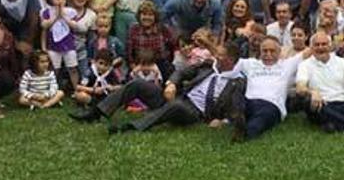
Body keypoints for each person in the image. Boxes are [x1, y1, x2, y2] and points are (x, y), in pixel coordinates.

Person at [72, 43, 241, 135]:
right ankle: (96, 113)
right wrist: (171, 84)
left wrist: (224, 121)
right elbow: (182, 71)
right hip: (177, 97)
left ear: (230, 59)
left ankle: (132, 127)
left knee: (177, 106)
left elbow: (236, 106)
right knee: (138, 84)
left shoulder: (237, 82)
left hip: (194, 112)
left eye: (221, 55)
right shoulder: (208, 66)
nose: (216, 56)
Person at [228, 36, 310, 141]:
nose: (268, 55)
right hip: (249, 101)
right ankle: (235, 119)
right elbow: (227, 67)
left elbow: (309, 50)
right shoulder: (250, 63)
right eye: (265, 51)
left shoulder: (287, 65)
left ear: (279, 52)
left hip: (271, 104)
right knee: (236, 92)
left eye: (272, 51)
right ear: (260, 51)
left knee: (263, 117)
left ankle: (245, 133)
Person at [40, 0, 81, 89]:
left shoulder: (71, 12)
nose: (60, 1)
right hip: (53, 46)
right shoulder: (46, 12)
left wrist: (63, 16)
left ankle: (76, 88)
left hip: (68, 45)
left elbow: (75, 26)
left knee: (72, 68)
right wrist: (55, 16)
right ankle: (53, 88)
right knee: (54, 69)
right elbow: (44, 26)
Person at [126, 1, 177, 79]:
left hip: (160, 64)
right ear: (139, 16)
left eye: (150, 15)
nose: (147, 17)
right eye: (144, 14)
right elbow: (129, 52)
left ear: (155, 17)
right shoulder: (133, 29)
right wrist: (134, 68)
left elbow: (172, 47)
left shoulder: (163, 29)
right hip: (139, 64)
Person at [67, 0, 98, 78]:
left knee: (87, 76)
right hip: (63, 50)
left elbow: (91, 39)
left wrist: (90, 57)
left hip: (81, 51)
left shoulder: (91, 15)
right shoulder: (63, 10)